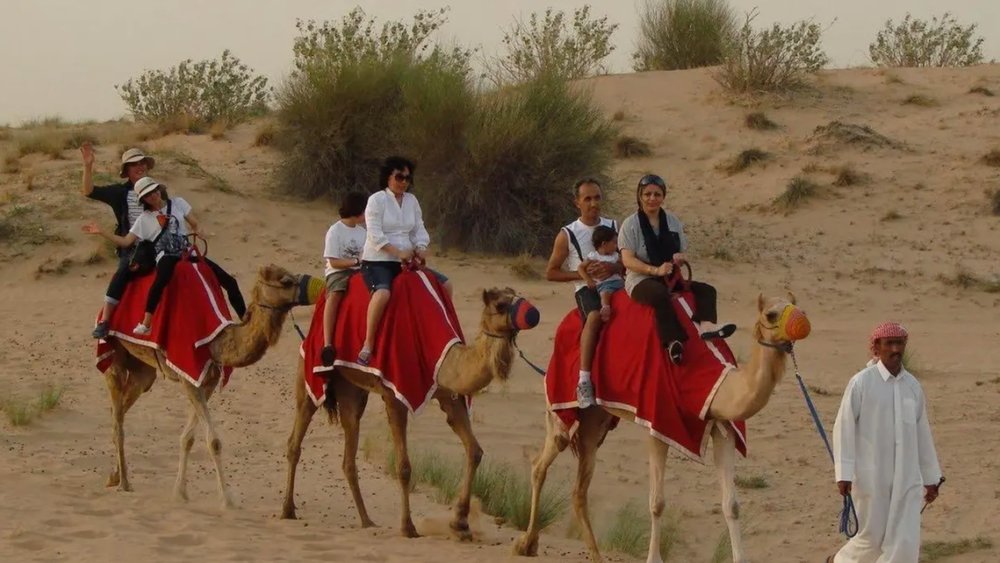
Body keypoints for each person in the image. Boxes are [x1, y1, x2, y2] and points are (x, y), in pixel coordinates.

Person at [829, 322, 942, 563]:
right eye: (889, 343)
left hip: (907, 478)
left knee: (905, 539)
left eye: (899, 343)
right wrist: (844, 473)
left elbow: (922, 433)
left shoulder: (912, 386)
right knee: (871, 538)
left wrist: (931, 478)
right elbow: (844, 427)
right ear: (876, 348)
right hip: (871, 475)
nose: (895, 349)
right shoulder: (861, 383)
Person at [83, 177, 246, 334]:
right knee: (160, 282)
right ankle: (146, 323)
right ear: (143, 200)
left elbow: (194, 223)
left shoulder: (178, 203)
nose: (153, 195)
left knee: (229, 280)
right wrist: (102, 232)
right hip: (166, 254)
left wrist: (199, 231)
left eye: (154, 191)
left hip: (186, 251)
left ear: (159, 189)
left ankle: (245, 319)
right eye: (147, 195)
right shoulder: (144, 219)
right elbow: (126, 242)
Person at [618, 174, 735, 366]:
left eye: (657, 194)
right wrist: (655, 270)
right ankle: (673, 341)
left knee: (707, 290)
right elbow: (627, 260)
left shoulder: (672, 222)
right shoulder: (630, 225)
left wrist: (679, 258)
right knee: (659, 294)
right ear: (640, 196)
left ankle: (707, 326)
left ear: (663, 197)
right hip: (641, 278)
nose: (652, 198)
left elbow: (680, 250)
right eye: (647, 194)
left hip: (669, 274)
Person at [358, 156, 452, 366]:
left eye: (408, 178)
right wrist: (398, 252)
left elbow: (419, 228)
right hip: (379, 260)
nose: (404, 182)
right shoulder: (376, 200)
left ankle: (441, 334)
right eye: (399, 177)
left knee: (445, 284)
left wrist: (421, 248)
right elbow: (374, 234)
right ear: (388, 177)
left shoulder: (411, 201)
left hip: (407, 259)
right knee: (383, 293)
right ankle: (368, 343)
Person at [544, 178, 620, 409]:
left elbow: (626, 260)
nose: (593, 203)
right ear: (577, 202)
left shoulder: (614, 226)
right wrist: (585, 276)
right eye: (587, 199)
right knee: (594, 316)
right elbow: (551, 272)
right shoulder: (568, 234)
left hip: (616, 283)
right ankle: (584, 380)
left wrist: (612, 268)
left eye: (597, 197)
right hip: (586, 289)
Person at [82, 144, 154, 338]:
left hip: (157, 245)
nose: (140, 167)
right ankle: (105, 321)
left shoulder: (156, 190)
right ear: (126, 170)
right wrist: (88, 166)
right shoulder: (119, 193)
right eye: (134, 164)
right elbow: (89, 191)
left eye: (142, 163)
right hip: (132, 247)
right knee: (123, 271)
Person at [319, 192, 368, 367]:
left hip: (359, 271)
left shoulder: (363, 232)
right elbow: (333, 262)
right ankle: (328, 344)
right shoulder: (335, 231)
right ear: (357, 211)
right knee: (335, 295)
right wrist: (356, 262)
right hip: (338, 272)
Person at [577, 225, 624, 323]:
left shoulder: (615, 255)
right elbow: (580, 268)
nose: (616, 246)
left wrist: (618, 267)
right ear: (604, 244)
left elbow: (625, 263)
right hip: (605, 284)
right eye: (614, 243)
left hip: (620, 282)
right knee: (605, 294)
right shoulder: (593, 256)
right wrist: (588, 280)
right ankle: (605, 308)